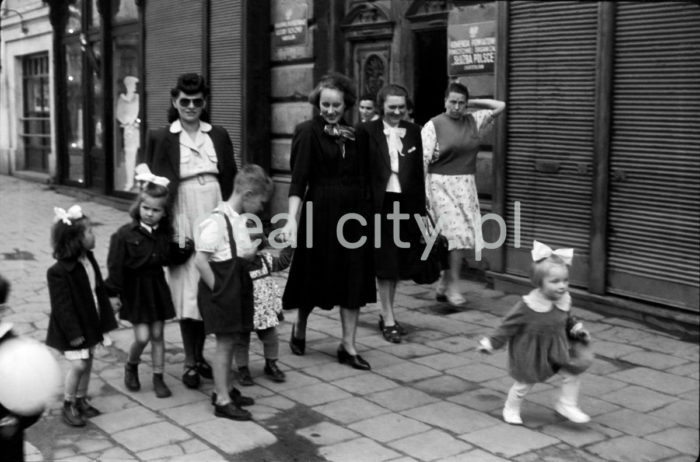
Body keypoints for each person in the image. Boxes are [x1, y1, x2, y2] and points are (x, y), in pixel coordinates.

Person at [146, 73, 238, 389]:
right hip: (182, 216)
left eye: (197, 101)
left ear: (204, 102)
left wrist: (234, 223)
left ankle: (202, 357)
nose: (191, 107)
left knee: (211, 287)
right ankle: (189, 361)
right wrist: (161, 231)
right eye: (184, 101)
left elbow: (232, 182)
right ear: (175, 101)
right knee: (187, 292)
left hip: (213, 213)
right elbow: (152, 191)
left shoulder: (220, 135)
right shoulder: (161, 138)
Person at [279, 72, 376, 370]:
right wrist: (291, 220)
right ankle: (300, 327)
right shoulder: (307, 131)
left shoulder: (357, 134)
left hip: (353, 216)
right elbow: (298, 180)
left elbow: (365, 177)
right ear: (317, 103)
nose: (331, 111)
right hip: (319, 212)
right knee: (313, 275)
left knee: (353, 277)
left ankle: (348, 345)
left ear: (346, 104)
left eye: (336, 105)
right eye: (325, 104)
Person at [477, 240, 592, 425]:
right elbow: (507, 326)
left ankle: (567, 404)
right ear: (539, 282)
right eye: (554, 281)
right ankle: (511, 407)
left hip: (556, 349)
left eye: (565, 280)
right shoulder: (527, 305)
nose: (562, 286)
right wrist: (490, 343)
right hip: (531, 352)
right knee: (524, 384)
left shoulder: (564, 299)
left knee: (572, 374)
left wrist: (577, 329)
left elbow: (566, 318)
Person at [105, 166, 194, 398]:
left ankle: (158, 377)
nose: (150, 213)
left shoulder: (164, 235)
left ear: (164, 213)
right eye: (146, 208)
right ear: (138, 206)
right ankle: (131, 365)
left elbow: (175, 256)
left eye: (156, 210)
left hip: (156, 288)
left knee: (157, 335)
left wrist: (187, 241)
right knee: (142, 337)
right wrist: (112, 294)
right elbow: (115, 266)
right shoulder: (124, 235)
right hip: (135, 291)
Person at [194, 164, 271, 421]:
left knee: (232, 340)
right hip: (222, 290)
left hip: (235, 287)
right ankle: (222, 399)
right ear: (248, 194)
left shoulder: (237, 220)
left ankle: (226, 387)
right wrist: (218, 288)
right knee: (224, 344)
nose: (262, 207)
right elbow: (201, 260)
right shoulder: (216, 221)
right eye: (261, 201)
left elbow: (237, 253)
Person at [421, 81, 505, 305]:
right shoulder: (433, 125)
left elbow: (501, 106)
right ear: (444, 101)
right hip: (440, 185)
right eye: (452, 102)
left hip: (465, 186)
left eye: (461, 103)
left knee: (458, 238)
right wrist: (422, 194)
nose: (457, 107)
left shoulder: (473, 121)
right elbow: (423, 161)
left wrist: (475, 102)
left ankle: (443, 283)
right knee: (454, 236)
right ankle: (454, 287)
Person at [356, 84, 425, 344]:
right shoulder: (366, 131)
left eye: (401, 107)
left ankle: (388, 312)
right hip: (377, 205)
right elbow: (359, 172)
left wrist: (420, 215)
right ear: (381, 106)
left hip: (404, 204)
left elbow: (418, 175)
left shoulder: (414, 131)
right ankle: (387, 318)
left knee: (394, 263)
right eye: (391, 106)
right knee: (385, 263)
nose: (397, 111)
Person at [46, 205, 118, 427]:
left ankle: (81, 399)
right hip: (73, 328)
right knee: (78, 365)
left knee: (87, 362)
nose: (93, 235)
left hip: (90, 321)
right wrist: (74, 333)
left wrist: (108, 306)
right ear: (75, 239)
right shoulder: (57, 272)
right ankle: (68, 403)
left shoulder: (89, 259)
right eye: (89, 232)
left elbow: (97, 287)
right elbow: (62, 307)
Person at [233, 236, 293, 386]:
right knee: (241, 340)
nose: (248, 249)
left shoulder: (265, 259)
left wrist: (289, 246)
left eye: (252, 244)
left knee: (270, 337)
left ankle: (271, 363)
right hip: (243, 309)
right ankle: (243, 369)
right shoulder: (235, 265)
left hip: (264, 310)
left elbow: (283, 262)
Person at [0, 275, 42, 462]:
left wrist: (15, 421)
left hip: (4, 446)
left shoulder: (17, 351)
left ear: (2, 310)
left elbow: (35, 399)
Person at [116, 75, 140, 191]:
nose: (135, 87)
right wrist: (128, 122)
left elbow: (140, 113)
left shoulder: (138, 98)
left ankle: (140, 181)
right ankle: (130, 181)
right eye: (133, 85)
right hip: (128, 132)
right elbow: (119, 115)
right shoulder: (122, 99)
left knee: (141, 156)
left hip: (137, 130)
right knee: (129, 156)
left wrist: (136, 122)